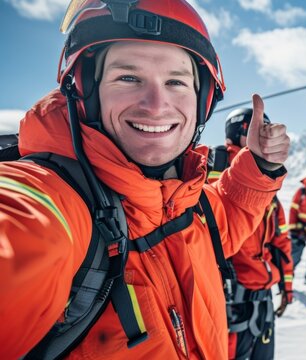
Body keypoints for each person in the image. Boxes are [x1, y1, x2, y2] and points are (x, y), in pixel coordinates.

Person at [0, 1, 290, 359]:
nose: (156, 105)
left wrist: (260, 164)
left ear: (202, 102)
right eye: (128, 77)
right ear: (87, 90)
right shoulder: (52, 200)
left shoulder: (189, 201)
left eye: (176, 81)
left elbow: (229, 215)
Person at [207, 108, 293, 360]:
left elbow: (281, 241)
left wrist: (287, 287)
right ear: (238, 131)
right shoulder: (209, 167)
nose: (265, 136)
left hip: (262, 300)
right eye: (257, 130)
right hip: (228, 304)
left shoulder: (268, 181)